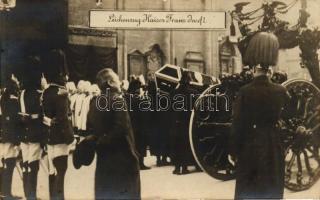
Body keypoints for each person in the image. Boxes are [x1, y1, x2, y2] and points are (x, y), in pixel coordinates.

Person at [230, 32, 290, 200]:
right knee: (271, 190)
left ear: (254, 68)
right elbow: (289, 117)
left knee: (249, 190)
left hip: (250, 146)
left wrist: (233, 151)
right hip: (273, 146)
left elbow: (237, 124)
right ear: (269, 69)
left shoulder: (244, 92)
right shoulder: (281, 91)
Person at [87, 68, 141, 199]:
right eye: (117, 80)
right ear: (110, 82)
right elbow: (121, 128)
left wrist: (101, 141)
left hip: (103, 158)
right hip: (123, 158)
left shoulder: (94, 102)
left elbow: (90, 127)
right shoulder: (118, 100)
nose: (120, 83)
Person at [42, 49, 74, 200]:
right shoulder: (62, 92)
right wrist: (70, 138)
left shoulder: (46, 92)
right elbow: (62, 119)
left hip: (50, 137)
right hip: (60, 137)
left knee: (52, 171)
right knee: (61, 170)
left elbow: (45, 117)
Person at [18, 56, 44, 200]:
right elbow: (41, 116)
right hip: (35, 132)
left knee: (26, 164)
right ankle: (32, 196)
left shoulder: (22, 93)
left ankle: (28, 195)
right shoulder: (39, 94)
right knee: (34, 166)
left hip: (24, 132)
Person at [0, 75, 22, 200]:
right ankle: (6, 193)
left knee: (2, 163)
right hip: (10, 136)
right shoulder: (13, 100)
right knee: (10, 163)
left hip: (2, 135)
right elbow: (15, 120)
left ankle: (3, 192)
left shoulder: (2, 98)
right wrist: (17, 139)